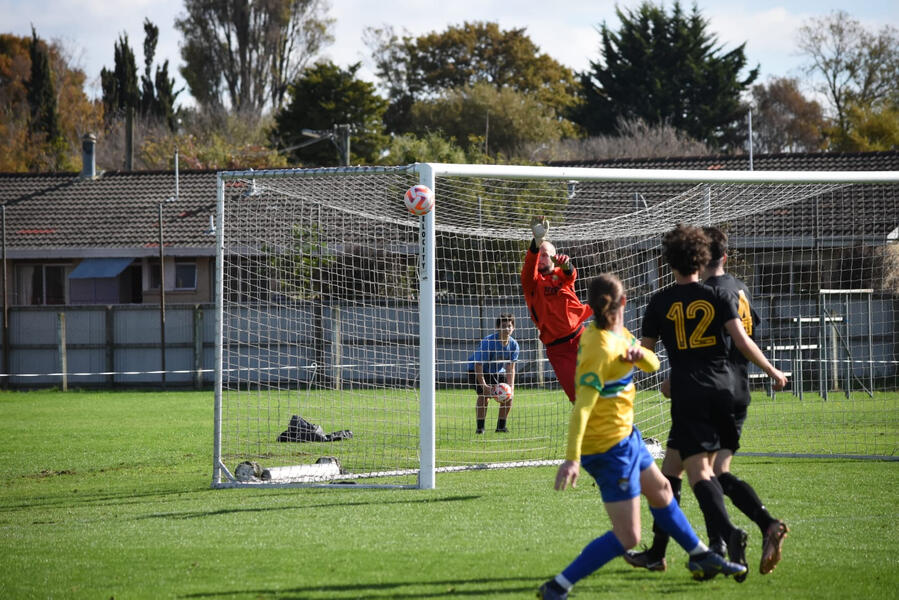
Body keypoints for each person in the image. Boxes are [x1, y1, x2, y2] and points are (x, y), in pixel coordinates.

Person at [538, 273, 747, 600]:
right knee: (628, 537)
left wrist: (640, 356)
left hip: (628, 438)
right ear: (622, 302)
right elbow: (582, 406)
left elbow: (652, 363)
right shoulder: (598, 346)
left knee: (663, 490)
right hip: (606, 449)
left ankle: (700, 555)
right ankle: (557, 587)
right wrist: (572, 459)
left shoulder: (619, 334)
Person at [625, 226, 789, 577]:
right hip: (727, 391)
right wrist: (773, 371)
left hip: (690, 394)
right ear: (703, 258)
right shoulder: (719, 295)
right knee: (670, 471)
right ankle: (658, 552)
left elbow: (645, 356)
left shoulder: (660, 301)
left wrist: (624, 369)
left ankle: (727, 539)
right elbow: (742, 343)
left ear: (668, 260)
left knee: (701, 473)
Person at [521, 216, 592, 403]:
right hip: (557, 350)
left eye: (545, 255)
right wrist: (537, 242)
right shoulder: (532, 284)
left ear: (554, 257)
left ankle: (629, 432)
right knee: (579, 399)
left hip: (581, 338)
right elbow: (529, 266)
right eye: (539, 255)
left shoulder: (561, 276)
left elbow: (570, 274)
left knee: (605, 389)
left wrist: (568, 265)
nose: (540, 259)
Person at [467, 312, 520, 434]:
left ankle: (501, 427)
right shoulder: (488, 342)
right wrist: (484, 386)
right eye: (503, 326)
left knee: (509, 396)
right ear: (497, 327)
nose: (506, 329)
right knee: (484, 396)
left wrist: (511, 387)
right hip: (477, 370)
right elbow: (478, 365)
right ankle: (480, 429)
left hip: (496, 371)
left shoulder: (514, 345)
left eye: (509, 326)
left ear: (513, 328)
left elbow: (511, 368)